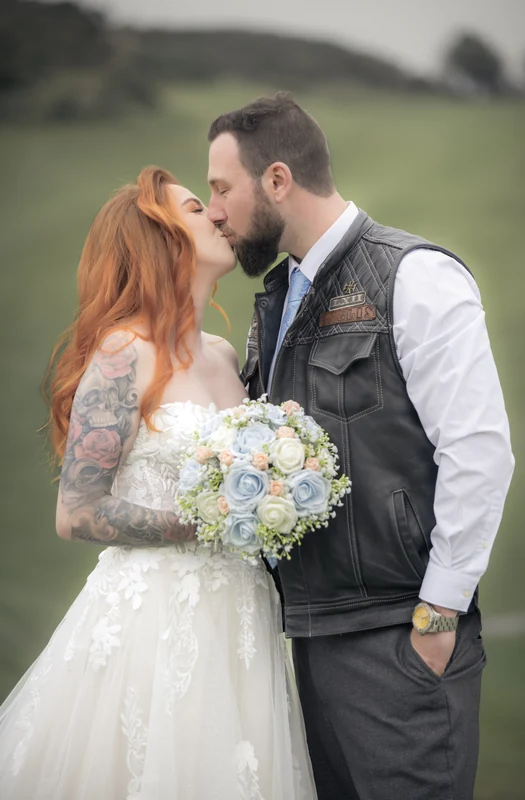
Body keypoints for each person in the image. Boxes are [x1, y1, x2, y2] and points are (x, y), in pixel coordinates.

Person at [206, 93, 515, 800]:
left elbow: (478, 454)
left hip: (396, 639)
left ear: (277, 180)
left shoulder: (415, 276)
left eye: (222, 189)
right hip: (311, 643)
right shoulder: (278, 297)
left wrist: (435, 621)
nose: (214, 209)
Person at [0, 167, 317, 800]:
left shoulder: (227, 354)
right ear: (161, 239)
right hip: (156, 618)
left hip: (243, 614)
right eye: (198, 208)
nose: (219, 216)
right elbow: (77, 512)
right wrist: (211, 519)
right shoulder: (124, 352)